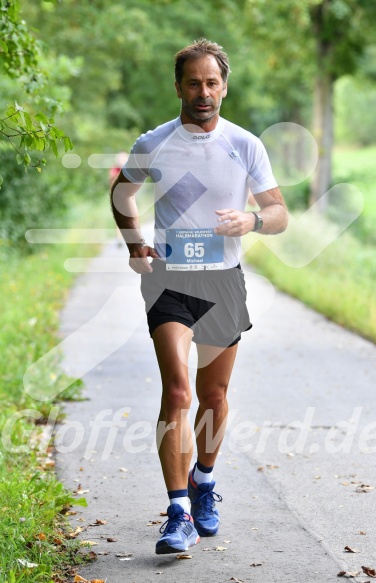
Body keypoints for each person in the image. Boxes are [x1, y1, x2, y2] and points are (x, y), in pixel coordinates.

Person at [110, 38, 288, 555]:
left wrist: (251, 219)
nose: (203, 91)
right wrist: (134, 242)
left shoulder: (245, 144)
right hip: (168, 280)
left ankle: (204, 482)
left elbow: (278, 214)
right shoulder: (155, 142)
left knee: (213, 396)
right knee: (179, 392)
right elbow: (122, 194)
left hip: (223, 281)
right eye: (194, 82)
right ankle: (178, 511)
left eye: (212, 82)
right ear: (179, 87)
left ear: (224, 88)